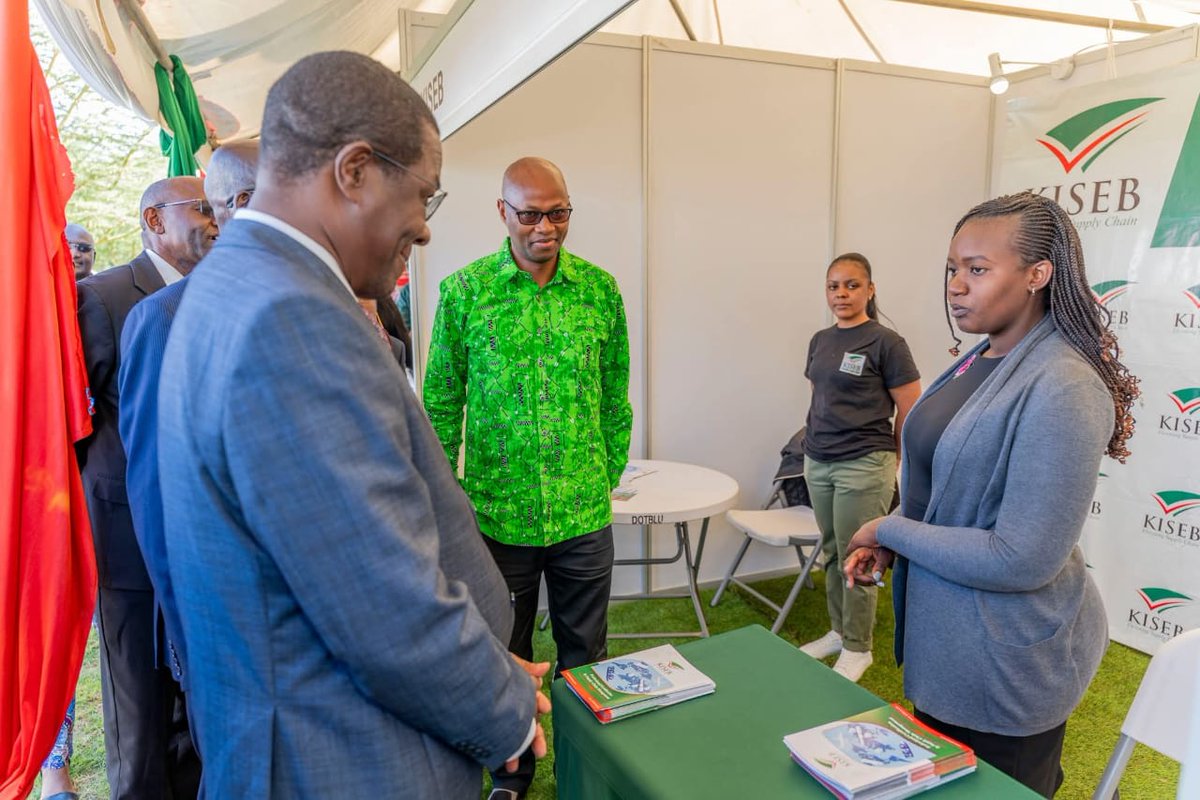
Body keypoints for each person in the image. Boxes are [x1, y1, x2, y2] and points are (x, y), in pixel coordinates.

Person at [155, 51, 545, 797]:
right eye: (422, 195)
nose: (423, 229)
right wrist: (503, 712)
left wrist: (485, 656)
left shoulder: (239, 284)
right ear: (355, 170)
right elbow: (385, 607)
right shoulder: (289, 317)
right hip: (345, 757)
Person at [844, 192, 1139, 798]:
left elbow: (1021, 558)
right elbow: (942, 484)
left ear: (1038, 274)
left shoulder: (1063, 386)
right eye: (953, 268)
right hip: (947, 649)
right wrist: (897, 540)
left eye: (977, 269)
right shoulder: (980, 358)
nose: (956, 285)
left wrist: (887, 529)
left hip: (1007, 668)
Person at [424, 156, 632, 799]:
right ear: (503, 213)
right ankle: (512, 775)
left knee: (586, 657)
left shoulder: (599, 291)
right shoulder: (464, 293)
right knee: (502, 657)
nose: (547, 227)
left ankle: (584, 772)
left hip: (582, 517)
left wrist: (601, 475)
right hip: (496, 518)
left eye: (559, 213)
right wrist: (451, 502)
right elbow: (440, 404)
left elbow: (615, 397)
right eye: (532, 214)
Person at [76, 176, 214, 800]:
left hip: (200, 533)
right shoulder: (101, 296)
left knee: (194, 697)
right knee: (138, 703)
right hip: (127, 534)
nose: (216, 220)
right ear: (155, 220)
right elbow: (80, 421)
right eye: (203, 209)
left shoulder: (219, 291)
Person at [117, 140, 260, 706]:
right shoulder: (162, 317)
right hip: (223, 627)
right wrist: (190, 640)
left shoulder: (324, 301)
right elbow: (156, 492)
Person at [798, 253, 921, 683]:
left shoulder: (887, 342)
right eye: (833, 286)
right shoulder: (820, 340)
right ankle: (839, 631)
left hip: (864, 462)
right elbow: (821, 397)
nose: (842, 294)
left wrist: (897, 458)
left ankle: (858, 648)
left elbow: (910, 407)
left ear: (870, 289)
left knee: (859, 555)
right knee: (833, 551)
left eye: (852, 285)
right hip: (819, 460)